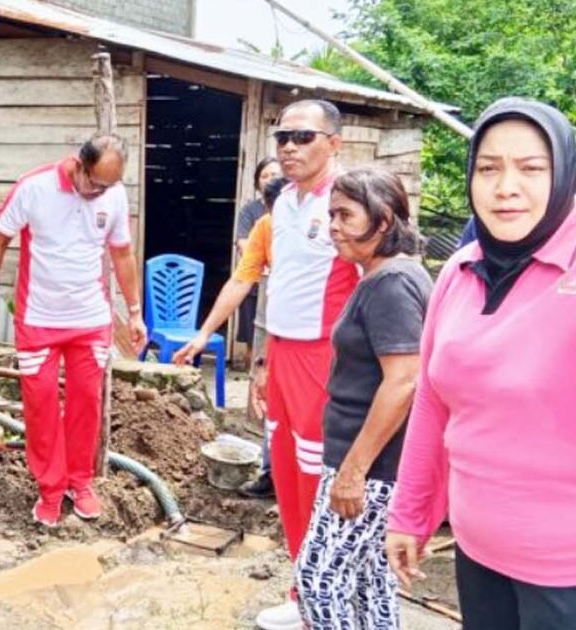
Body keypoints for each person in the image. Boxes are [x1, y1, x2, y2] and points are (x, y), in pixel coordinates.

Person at [386, 97, 576, 629]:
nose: (506, 186)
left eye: (532, 168)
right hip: (481, 559)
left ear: (565, 176)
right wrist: (410, 515)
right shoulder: (462, 270)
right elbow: (434, 406)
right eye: (489, 168)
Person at [173, 99, 358, 630]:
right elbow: (248, 283)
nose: (290, 147)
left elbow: (385, 278)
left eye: (303, 137)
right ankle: (306, 594)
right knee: (290, 481)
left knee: (326, 482)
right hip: (284, 355)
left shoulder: (351, 203)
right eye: (282, 137)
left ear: (334, 143)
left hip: (331, 360)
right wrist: (221, 342)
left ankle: (335, 599)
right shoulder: (282, 210)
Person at [0, 134, 146, 527]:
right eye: (94, 183)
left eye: (107, 186)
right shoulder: (35, 186)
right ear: (79, 164)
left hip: (90, 320)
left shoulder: (113, 195)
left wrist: (134, 312)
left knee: (86, 401)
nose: (98, 192)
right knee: (42, 404)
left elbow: (122, 253)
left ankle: (80, 482)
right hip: (38, 319)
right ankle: (50, 488)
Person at [293, 167, 430, 629]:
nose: (333, 226)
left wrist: (352, 471)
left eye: (346, 215)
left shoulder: (391, 284)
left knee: (318, 581)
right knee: (372, 583)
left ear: (384, 220)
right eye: (331, 214)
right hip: (375, 465)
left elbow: (403, 381)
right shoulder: (387, 277)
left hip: (370, 469)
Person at [236, 175, 289, 500]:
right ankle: (271, 475)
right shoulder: (265, 226)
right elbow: (242, 278)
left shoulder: (327, 228)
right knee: (272, 403)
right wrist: (203, 335)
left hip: (322, 340)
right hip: (278, 330)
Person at [234, 157, 283, 363]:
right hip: (254, 284)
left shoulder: (291, 210)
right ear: (257, 183)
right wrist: (259, 260)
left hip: (281, 285)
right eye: (264, 176)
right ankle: (251, 379)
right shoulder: (250, 211)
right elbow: (243, 243)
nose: (269, 179)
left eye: (274, 175)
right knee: (252, 338)